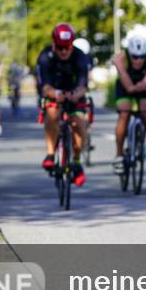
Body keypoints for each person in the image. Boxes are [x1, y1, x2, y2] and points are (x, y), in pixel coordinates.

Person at [36, 23, 90, 187]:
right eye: (60, 48)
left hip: (74, 94)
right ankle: (51, 154)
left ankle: (76, 161)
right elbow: (44, 86)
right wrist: (56, 94)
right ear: (53, 44)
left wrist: (75, 95)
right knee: (52, 113)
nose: (64, 52)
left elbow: (83, 84)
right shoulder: (45, 56)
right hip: (53, 93)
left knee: (79, 124)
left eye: (67, 47)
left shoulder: (80, 56)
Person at [111, 35, 146, 175]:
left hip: (143, 85)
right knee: (124, 115)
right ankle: (119, 155)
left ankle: (141, 140)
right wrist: (132, 88)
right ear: (129, 53)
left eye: (142, 57)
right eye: (135, 57)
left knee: (145, 114)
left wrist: (143, 85)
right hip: (125, 85)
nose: (138, 60)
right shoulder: (120, 58)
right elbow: (125, 80)